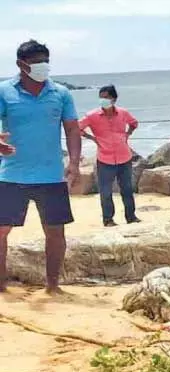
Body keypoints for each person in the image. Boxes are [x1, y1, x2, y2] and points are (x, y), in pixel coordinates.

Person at [0, 40, 82, 294]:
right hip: (12, 174)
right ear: (21, 65)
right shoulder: (4, 91)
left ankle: (53, 286)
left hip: (51, 175)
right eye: (36, 62)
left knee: (55, 232)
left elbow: (72, 129)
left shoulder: (61, 93)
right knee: (1, 231)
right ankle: (1, 287)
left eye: (45, 61)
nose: (42, 66)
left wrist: (74, 163)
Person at [79, 84, 140, 226]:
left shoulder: (123, 113)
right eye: (101, 98)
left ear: (114, 99)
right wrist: (91, 138)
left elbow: (134, 123)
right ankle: (108, 220)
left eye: (106, 97)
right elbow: (77, 128)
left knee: (127, 190)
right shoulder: (92, 116)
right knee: (105, 192)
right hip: (105, 159)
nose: (103, 100)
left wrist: (128, 134)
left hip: (124, 157)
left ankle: (131, 217)